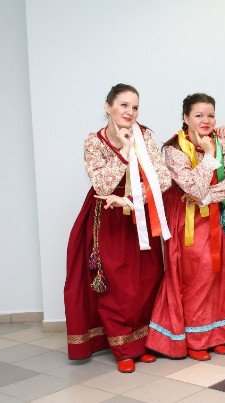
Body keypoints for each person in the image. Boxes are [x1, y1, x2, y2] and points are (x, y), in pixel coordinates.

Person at [65, 83, 172, 373]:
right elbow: (101, 184)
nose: (130, 112)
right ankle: (123, 349)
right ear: (108, 106)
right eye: (124, 105)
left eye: (135, 107)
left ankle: (141, 343)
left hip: (137, 213)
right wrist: (125, 152)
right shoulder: (94, 142)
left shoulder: (144, 135)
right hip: (109, 217)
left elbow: (163, 179)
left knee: (146, 278)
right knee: (116, 283)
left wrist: (132, 199)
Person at [146, 93, 225, 361]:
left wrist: (208, 196)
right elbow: (192, 186)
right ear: (185, 117)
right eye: (198, 115)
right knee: (197, 273)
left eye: (210, 115)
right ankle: (195, 337)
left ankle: (216, 334)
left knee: (222, 273)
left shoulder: (223, 139)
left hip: (219, 214)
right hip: (188, 219)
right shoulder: (173, 148)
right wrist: (209, 156)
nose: (206, 120)